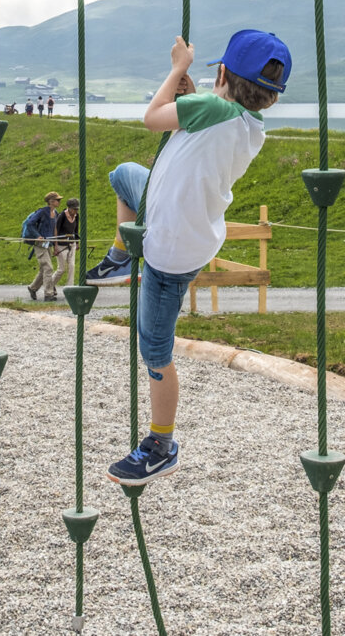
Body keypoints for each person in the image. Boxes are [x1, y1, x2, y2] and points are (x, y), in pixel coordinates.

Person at [103, 29, 291, 488]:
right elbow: (200, 117)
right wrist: (191, 94)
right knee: (125, 175)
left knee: (155, 350)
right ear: (269, 97)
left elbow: (152, 119)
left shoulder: (208, 108)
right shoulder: (249, 126)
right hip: (192, 233)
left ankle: (161, 445)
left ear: (222, 73)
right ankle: (119, 256)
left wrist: (178, 69)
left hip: (168, 249)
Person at [26, 191, 63, 301]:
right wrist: (37, 236)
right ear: (51, 201)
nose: (59, 202)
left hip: (48, 244)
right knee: (48, 267)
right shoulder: (42, 212)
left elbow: (55, 229)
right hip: (40, 244)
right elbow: (30, 224)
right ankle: (48, 294)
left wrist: (55, 245)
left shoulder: (55, 213)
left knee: (44, 269)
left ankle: (33, 288)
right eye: (58, 200)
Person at [53, 198, 79, 290]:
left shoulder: (76, 216)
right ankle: (50, 285)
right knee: (61, 269)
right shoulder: (62, 216)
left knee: (72, 266)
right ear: (69, 208)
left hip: (72, 244)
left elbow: (76, 230)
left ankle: (69, 287)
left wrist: (77, 242)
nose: (76, 211)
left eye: (77, 209)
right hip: (61, 245)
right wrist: (55, 246)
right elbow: (56, 230)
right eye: (74, 209)